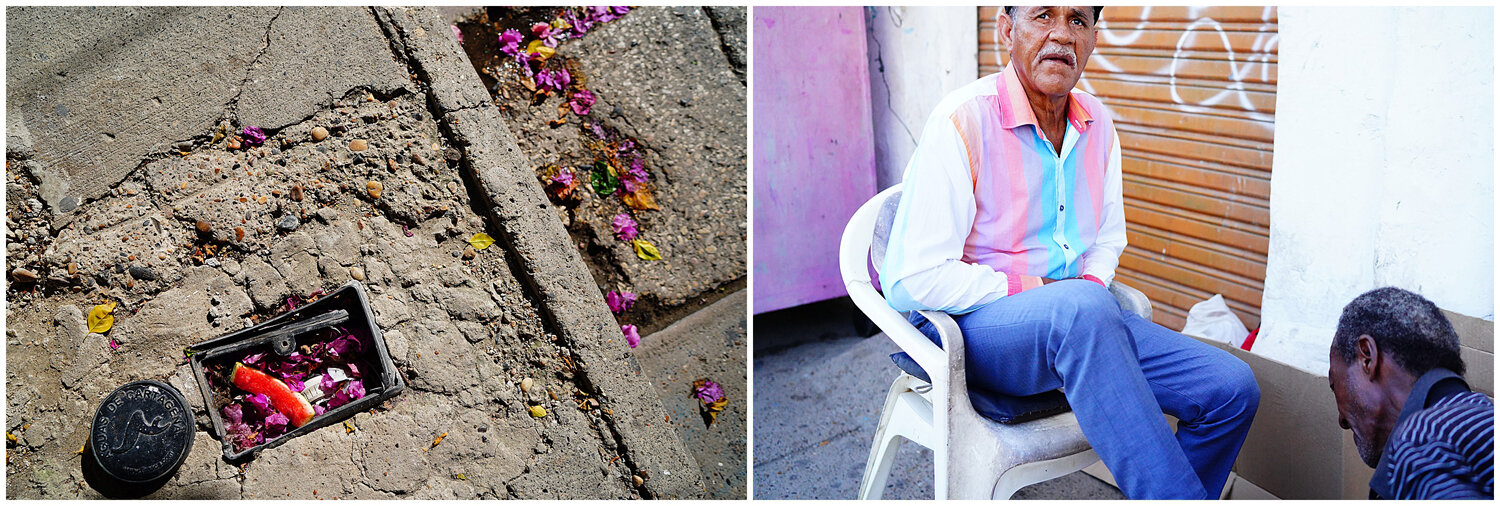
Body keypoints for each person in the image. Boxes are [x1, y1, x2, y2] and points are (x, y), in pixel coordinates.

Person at [880, 5, 1259, 499]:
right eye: (1043, 15)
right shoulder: (962, 120)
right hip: (975, 327)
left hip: (1081, 323)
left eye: (1078, 20)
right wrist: (1044, 291)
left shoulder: (1098, 124)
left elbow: (1107, 239)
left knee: (1231, 389)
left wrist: (1089, 289)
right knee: (1079, 308)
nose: (1062, 34)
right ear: (1006, 28)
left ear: (1094, 39)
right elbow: (912, 279)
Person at [1329, 287, 1494, 499]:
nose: (1341, 420)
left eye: (1335, 384)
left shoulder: (1419, 440)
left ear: (1367, 358)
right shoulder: (1483, 415)